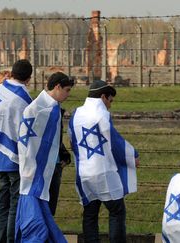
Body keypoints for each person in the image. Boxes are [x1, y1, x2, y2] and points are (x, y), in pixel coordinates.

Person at [68, 80, 140, 243]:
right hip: (103, 171)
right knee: (116, 211)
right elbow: (113, 140)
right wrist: (132, 155)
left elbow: (72, 142)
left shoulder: (76, 114)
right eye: (110, 100)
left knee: (90, 214)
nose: (110, 105)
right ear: (103, 97)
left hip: (84, 173)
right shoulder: (101, 115)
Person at [15, 71, 74, 243]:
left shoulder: (49, 108)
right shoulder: (40, 110)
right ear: (57, 87)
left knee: (46, 213)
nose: (68, 95)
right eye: (67, 90)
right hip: (37, 173)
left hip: (46, 169)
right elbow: (30, 142)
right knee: (38, 221)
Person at [0, 59, 33, 243]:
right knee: (14, 203)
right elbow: (27, 128)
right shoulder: (23, 98)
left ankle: (0, 239)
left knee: (2, 202)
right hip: (14, 157)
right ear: (29, 78)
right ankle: (11, 240)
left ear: (12, 72)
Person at [48, 107, 72, 216]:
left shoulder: (56, 113)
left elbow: (56, 139)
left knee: (50, 207)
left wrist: (64, 154)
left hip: (56, 164)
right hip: (47, 166)